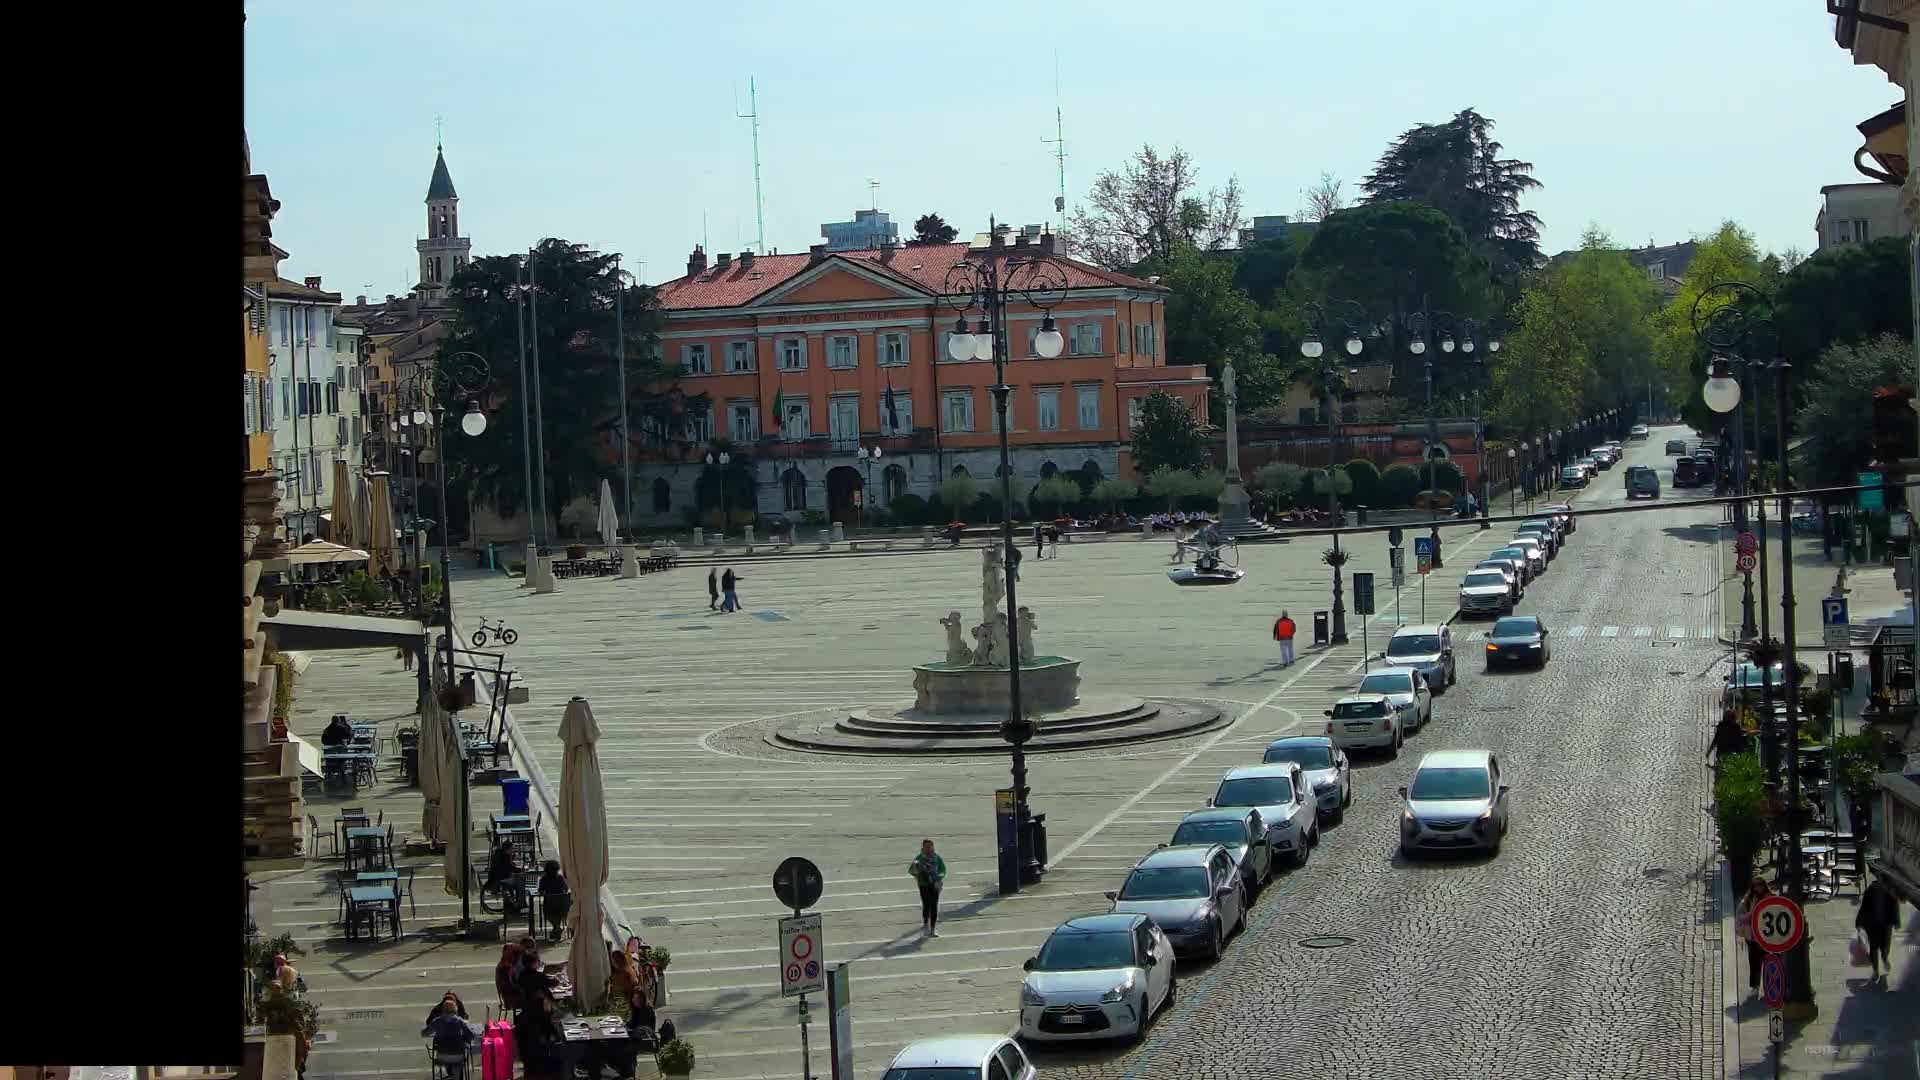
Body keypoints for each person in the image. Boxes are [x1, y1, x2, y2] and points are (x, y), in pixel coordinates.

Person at [1856, 876, 1903, 981]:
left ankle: (1885, 958)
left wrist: (1896, 922)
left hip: (1886, 925)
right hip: (1872, 925)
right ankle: (1875, 971)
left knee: (1885, 946)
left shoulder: (1890, 892)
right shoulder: (1869, 892)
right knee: (1873, 949)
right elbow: (1863, 907)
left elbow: (1895, 907)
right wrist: (1859, 923)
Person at [514, 989, 566, 1080]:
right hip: (541, 1061)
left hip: (527, 1060)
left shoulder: (522, 1017)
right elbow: (556, 1037)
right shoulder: (543, 1019)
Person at [1734, 878, 1773, 997]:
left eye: (1760, 885)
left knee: (1767, 961)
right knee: (1754, 962)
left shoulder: (1770, 898)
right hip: (1752, 936)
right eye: (1755, 885)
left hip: (1766, 936)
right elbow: (1740, 914)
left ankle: (1768, 986)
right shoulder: (1749, 899)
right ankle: (1755, 987)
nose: (1758, 888)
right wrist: (1750, 914)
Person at [422, 994, 475, 1078]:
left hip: (442, 1056)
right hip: (458, 1056)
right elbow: (471, 1036)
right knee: (457, 1062)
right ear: (455, 1010)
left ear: (443, 1010)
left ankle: (451, 1074)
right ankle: (455, 1076)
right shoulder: (460, 1022)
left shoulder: (437, 1021)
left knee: (448, 1059)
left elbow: (424, 1033)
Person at [909, 838, 947, 938]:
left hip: (935, 885)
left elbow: (943, 870)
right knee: (926, 905)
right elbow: (911, 871)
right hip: (924, 885)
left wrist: (939, 877)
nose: (928, 848)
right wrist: (918, 874)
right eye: (926, 847)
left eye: (930, 846)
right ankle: (926, 925)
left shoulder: (937, 858)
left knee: (934, 906)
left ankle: (933, 929)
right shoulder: (919, 859)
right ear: (923, 847)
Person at [536, 859, 571, 942]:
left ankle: (556, 928)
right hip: (562, 907)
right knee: (558, 909)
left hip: (549, 907)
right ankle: (556, 928)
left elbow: (540, 891)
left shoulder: (543, 879)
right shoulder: (561, 878)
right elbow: (566, 890)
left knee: (549, 910)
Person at [487, 840, 525, 914]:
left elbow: (508, 866)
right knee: (519, 883)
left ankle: (516, 902)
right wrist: (521, 869)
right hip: (501, 880)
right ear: (508, 849)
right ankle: (519, 904)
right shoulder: (506, 856)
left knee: (517, 881)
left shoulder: (499, 854)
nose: (513, 851)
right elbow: (510, 867)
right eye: (512, 849)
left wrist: (512, 861)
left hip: (495, 878)